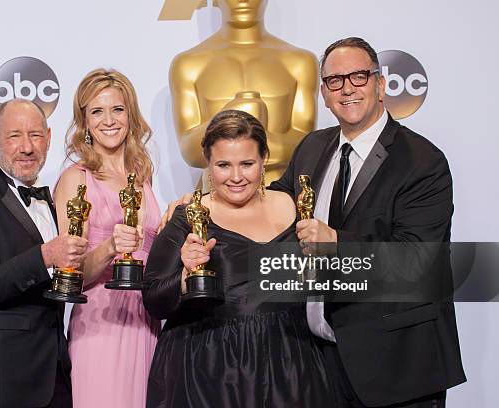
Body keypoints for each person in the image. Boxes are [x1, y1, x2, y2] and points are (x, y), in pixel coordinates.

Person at [270, 37, 466, 407]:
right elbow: (273, 204)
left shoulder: (423, 162)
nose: (347, 89)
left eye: (358, 76)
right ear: (324, 94)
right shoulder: (312, 147)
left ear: (381, 84)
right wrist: (204, 203)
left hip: (399, 371)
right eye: (334, 81)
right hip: (320, 364)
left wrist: (337, 243)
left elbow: (417, 261)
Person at [143, 109, 333, 407]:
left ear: (264, 158)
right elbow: (153, 301)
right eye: (223, 165)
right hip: (208, 369)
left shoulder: (296, 208)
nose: (235, 177)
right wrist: (184, 276)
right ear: (208, 162)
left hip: (290, 364)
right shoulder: (186, 218)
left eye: (247, 164)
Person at [0, 98, 88, 408]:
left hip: (53, 380)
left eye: (35, 135)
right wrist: (46, 255)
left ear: (48, 138)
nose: (27, 147)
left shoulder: (51, 203)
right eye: (14, 136)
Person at [53, 68, 160, 408]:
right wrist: (111, 247)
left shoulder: (142, 176)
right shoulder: (76, 179)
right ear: (84, 122)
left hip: (147, 319)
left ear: (131, 114)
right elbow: (72, 274)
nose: (109, 120)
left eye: (118, 109)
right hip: (102, 323)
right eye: (97, 111)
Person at [169, 0, 318, 184]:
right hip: (214, 202)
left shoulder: (300, 63)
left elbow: (306, 147)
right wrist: (228, 117)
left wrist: (244, 141)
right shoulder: (188, 65)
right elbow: (190, 152)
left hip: (281, 197)